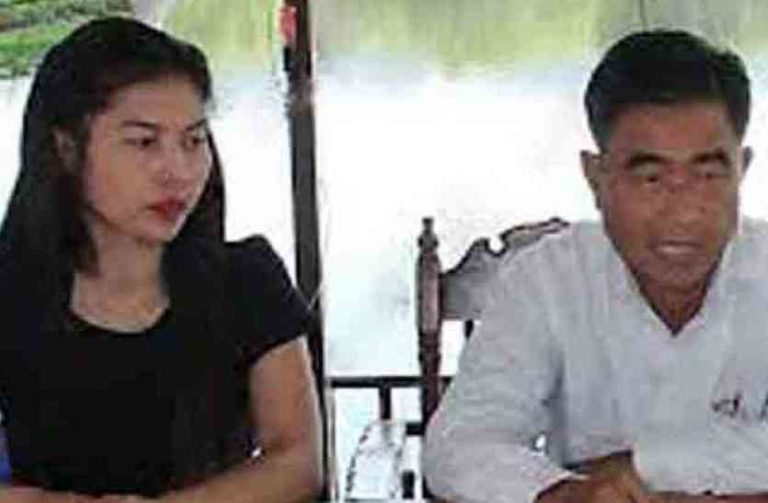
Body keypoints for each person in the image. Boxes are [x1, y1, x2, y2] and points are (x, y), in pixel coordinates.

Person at [423, 29, 768, 503]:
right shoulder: (546, 280)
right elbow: (459, 445)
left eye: (708, 175)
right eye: (651, 178)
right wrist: (565, 494)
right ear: (596, 177)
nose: (684, 211)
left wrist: (641, 468)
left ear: (742, 169)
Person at [0, 16, 322, 502]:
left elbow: (297, 462)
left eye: (193, 140)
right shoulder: (11, 292)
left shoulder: (248, 280)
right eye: (144, 142)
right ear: (66, 150)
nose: (178, 172)